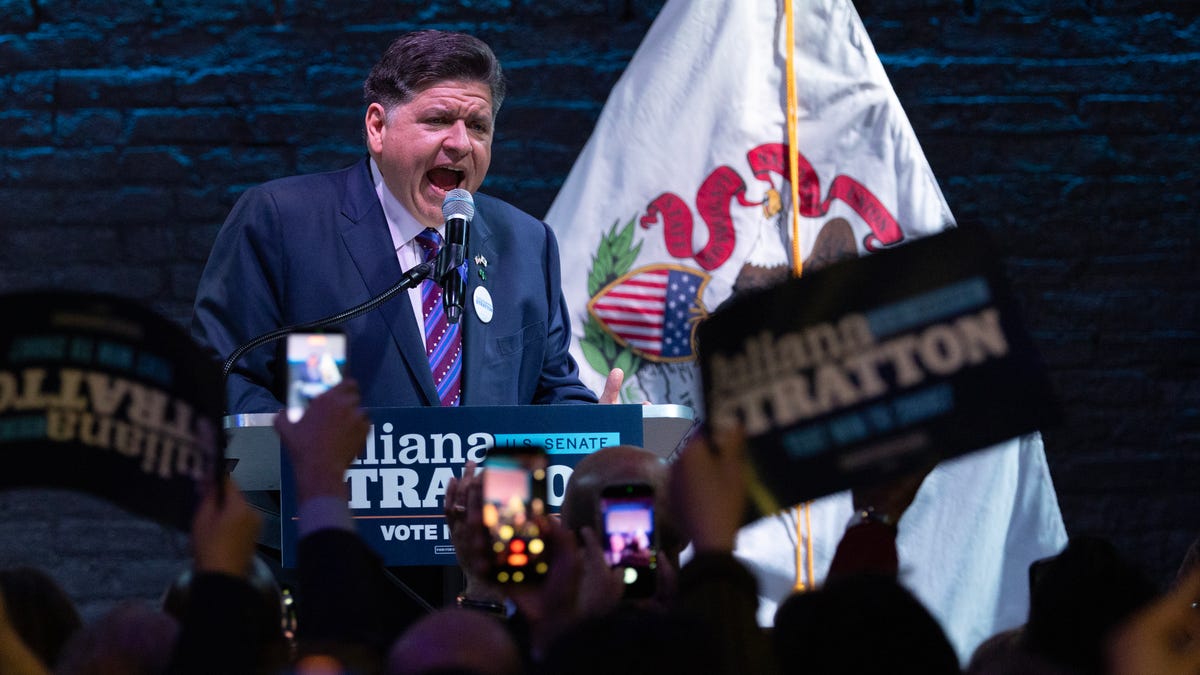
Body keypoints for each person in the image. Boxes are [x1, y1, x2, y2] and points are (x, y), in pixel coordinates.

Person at [192, 29, 620, 413]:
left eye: (478, 126)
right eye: (437, 120)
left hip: (491, 502)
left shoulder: (527, 243)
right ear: (378, 128)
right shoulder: (283, 222)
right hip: (330, 499)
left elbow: (551, 391)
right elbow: (227, 375)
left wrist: (595, 425)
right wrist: (299, 457)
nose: (460, 143)